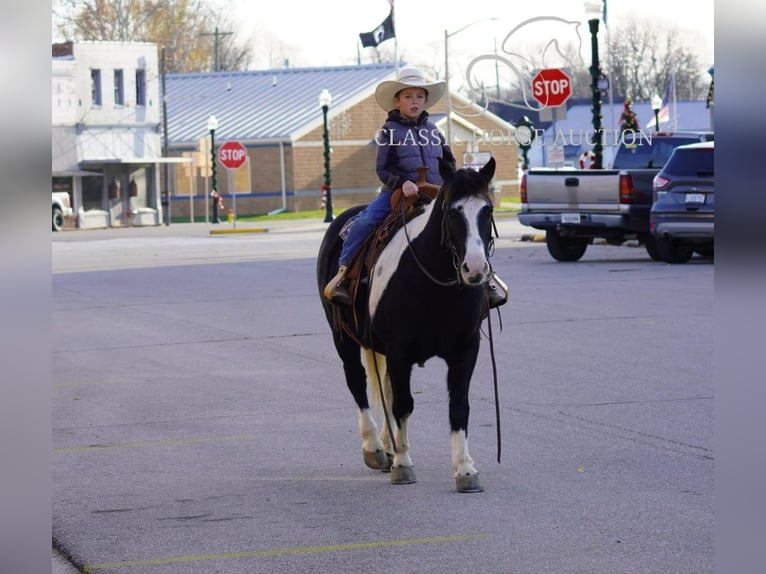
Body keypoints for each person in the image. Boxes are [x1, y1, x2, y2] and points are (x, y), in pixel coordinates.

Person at [323, 67, 508, 309]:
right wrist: (403, 182)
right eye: (408, 97)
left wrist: (454, 183)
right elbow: (383, 169)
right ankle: (343, 276)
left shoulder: (434, 130)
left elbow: (449, 163)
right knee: (365, 222)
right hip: (399, 194)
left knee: (466, 226)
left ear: (425, 101)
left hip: (436, 195)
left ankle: (486, 278)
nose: (414, 101)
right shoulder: (389, 131)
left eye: (419, 96)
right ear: (396, 101)